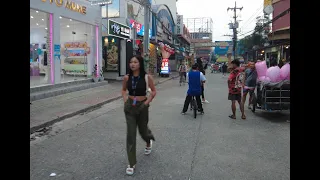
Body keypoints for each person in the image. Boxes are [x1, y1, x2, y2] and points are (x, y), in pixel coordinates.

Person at [121, 55, 157, 175]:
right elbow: (123, 90)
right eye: (131, 62)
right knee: (131, 134)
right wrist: (126, 100)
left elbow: (154, 91)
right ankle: (132, 163)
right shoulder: (127, 78)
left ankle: (148, 140)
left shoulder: (147, 77)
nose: (132, 64)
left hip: (143, 105)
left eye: (135, 62)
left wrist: (146, 103)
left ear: (140, 64)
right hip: (130, 106)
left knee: (143, 130)